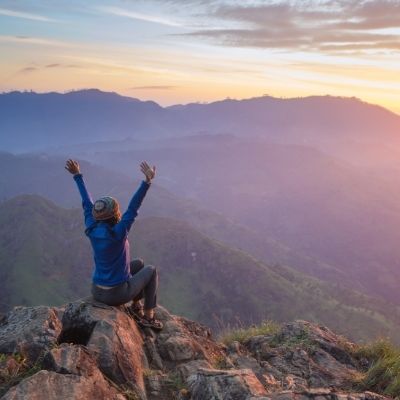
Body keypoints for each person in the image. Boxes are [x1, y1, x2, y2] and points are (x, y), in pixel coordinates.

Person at [65, 159, 163, 331]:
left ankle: (136, 306)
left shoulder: (92, 228)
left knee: (139, 263)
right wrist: (147, 182)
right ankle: (149, 317)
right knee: (151, 270)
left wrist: (77, 175)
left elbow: (86, 203)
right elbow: (134, 207)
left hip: (97, 290)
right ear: (116, 214)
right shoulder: (118, 233)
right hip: (116, 294)